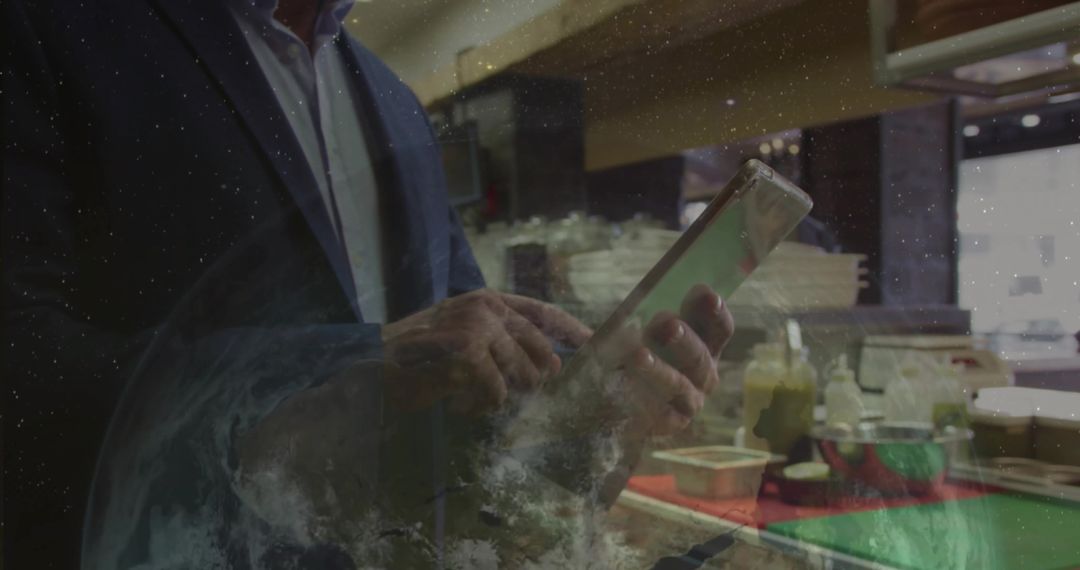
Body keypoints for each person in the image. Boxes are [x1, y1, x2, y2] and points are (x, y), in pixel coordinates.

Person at [3, 0, 733, 567]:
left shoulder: (395, 104)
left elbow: (472, 400)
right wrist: (334, 366)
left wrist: (591, 413)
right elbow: (21, 367)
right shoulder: (48, 27)